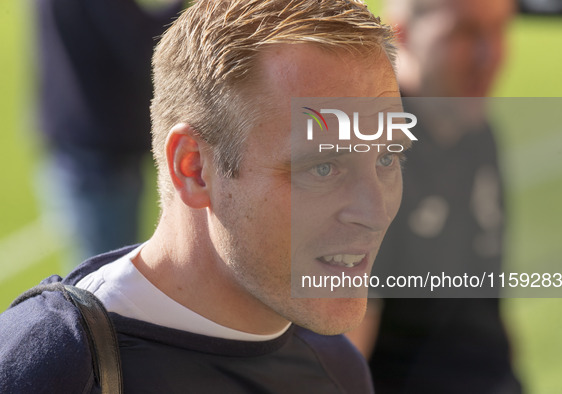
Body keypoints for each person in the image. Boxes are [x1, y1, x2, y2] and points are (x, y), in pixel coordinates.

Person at [0, 1, 409, 392]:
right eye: (323, 168)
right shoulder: (51, 367)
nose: (374, 211)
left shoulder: (338, 367)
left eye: (387, 158)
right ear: (194, 168)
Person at [345, 0, 523, 392]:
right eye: (464, 33)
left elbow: (486, 307)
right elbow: (344, 356)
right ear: (402, 35)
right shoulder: (371, 156)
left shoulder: (477, 132)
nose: (489, 55)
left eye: (499, 29)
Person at [34, 0, 184, 267]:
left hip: (79, 143)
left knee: (101, 278)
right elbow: (147, 43)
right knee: (107, 285)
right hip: (100, 156)